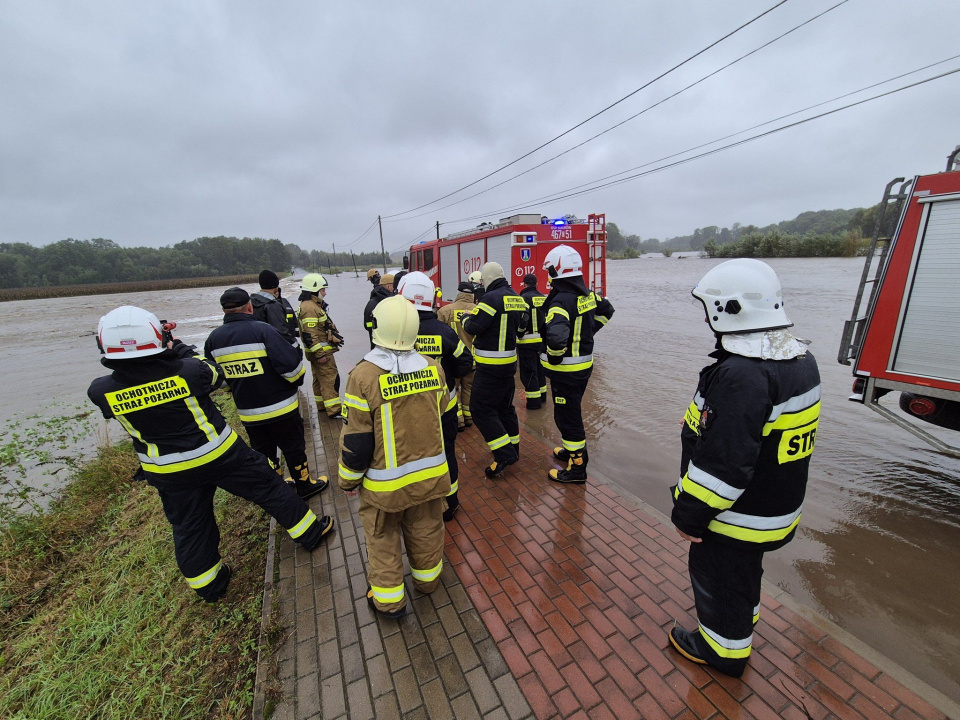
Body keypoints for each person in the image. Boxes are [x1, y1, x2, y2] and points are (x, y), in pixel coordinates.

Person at [87, 305, 334, 602]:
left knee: (189, 524)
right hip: (217, 454)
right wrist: (178, 347)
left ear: (103, 344)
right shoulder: (190, 371)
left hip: (166, 469)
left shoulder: (100, 390)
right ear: (157, 336)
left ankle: (209, 584)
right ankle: (309, 533)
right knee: (268, 487)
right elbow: (215, 375)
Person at [669, 258, 821, 678]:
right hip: (774, 506)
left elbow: (724, 467)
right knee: (743, 570)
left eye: (708, 308)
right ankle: (742, 619)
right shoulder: (800, 359)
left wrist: (689, 516)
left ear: (726, 309)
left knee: (717, 572)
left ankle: (723, 650)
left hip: (737, 516)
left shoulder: (742, 375)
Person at [338, 295, 451, 618]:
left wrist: (347, 479)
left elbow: (356, 441)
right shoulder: (434, 369)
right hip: (430, 479)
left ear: (376, 329)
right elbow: (442, 414)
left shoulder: (362, 377)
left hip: (384, 488)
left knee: (382, 541)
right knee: (427, 530)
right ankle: (428, 583)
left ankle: (389, 604)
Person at [204, 287, 325, 498]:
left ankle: (277, 488)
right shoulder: (263, 331)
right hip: (282, 408)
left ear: (223, 310)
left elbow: (218, 380)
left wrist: (237, 386)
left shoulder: (213, 340)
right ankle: (304, 485)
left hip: (248, 413)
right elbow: (292, 368)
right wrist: (294, 383)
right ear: (249, 307)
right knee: (293, 447)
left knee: (265, 452)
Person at [398, 272, 473, 521]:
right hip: (444, 406)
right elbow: (465, 362)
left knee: (412, 455)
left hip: (406, 409)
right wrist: (448, 374)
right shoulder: (444, 332)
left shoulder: (394, 334)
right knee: (447, 453)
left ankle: (417, 501)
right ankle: (450, 503)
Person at [541, 245, 614, 484]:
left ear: (555, 271)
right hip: (583, 368)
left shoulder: (560, 302)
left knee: (567, 417)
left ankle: (577, 469)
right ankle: (571, 452)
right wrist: (589, 331)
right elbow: (607, 310)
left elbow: (556, 337)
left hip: (566, 372)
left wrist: (553, 356)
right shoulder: (588, 295)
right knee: (571, 411)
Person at [462, 261, 527, 477]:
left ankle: (504, 453)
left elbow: (474, 327)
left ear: (487, 279)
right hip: (509, 366)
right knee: (505, 408)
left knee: (480, 410)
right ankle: (513, 448)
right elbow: (521, 330)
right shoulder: (517, 298)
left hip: (489, 367)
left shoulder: (490, 298)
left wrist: (465, 319)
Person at [298, 273, 344, 419]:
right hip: (322, 353)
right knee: (330, 379)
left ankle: (322, 406)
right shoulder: (310, 308)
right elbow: (310, 335)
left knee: (319, 379)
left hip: (317, 352)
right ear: (314, 289)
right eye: (322, 290)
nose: (325, 292)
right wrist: (321, 354)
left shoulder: (309, 305)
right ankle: (335, 410)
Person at [517, 273, 547, 410]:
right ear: (536, 284)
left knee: (529, 373)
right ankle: (543, 398)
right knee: (540, 371)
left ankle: (534, 404)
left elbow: (523, 319)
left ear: (524, 284)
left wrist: (520, 332)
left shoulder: (522, 299)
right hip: (542, 341)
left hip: (527, 342)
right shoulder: (544, 298)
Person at [251, 269, 300, 350]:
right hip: (279, 351)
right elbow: (281, 333)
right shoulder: (273, 305)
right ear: (275, 286)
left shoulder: (251, 303)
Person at [363, 273, 395, 349]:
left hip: (375, 346)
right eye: (394, 286)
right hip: (390, 346)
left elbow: (367, 325)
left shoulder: (371, 302)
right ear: (389, 287)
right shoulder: (391, 303)